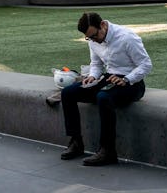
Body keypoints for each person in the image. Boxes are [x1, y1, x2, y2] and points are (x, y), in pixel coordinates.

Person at [59, 12, 152, 166]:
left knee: (103, 97)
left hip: (133, 83)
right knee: (68, 93)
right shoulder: (92, 39)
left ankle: (108, 151)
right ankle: (76, 142)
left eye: (94, 36)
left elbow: (146, 64)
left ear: (102, 25)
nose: (93, 40)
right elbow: (96, 64)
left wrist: (126, 79)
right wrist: (93, 76)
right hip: (109, 78)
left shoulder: (127, 37)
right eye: (89, 38)